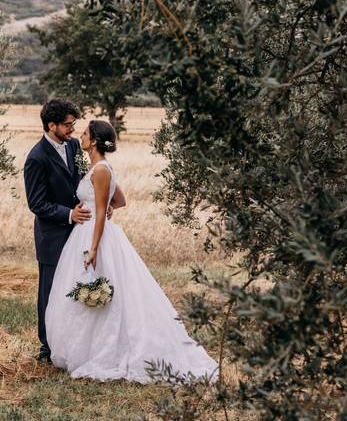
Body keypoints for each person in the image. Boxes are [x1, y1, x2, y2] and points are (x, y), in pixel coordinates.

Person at [44, 119, 219, 382]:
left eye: (84, 133)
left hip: (95, 236)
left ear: (93, 141)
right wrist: (105, 204)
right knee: (88, 290)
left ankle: (107, 350)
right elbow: (119, 200)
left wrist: (93, 247)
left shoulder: (101, 169)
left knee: (103, 290)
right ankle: (86, 347)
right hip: (84, 232)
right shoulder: (97, 168)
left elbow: (103, 210)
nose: (80, 136)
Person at [23, 99, 92, 364]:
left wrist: (94, 204)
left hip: (79, 233)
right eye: (67, 125)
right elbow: (37, 204)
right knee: (49, 292)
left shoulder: (74, 146)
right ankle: (47, 348)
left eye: (73, 124)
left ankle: (72, 343)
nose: (72, 130)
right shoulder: (36, 158)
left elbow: (83, 178)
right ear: (51, 125)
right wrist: (69, 214)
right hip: (52, 236)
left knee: (75, 286)